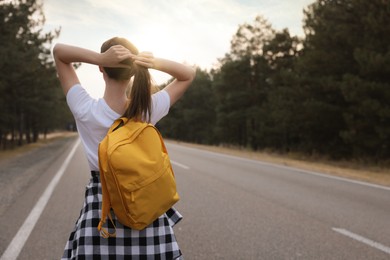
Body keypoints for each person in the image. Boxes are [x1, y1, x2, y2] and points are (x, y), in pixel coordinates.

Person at [53, 37, 195, 259]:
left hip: (102, 213)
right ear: (133, 72)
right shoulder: (147, 110)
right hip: (144, 208)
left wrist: (100, 57)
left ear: (101, 69)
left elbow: (59, 52)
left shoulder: (86, 110)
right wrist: (150, 61)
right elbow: (188, 74)